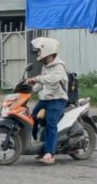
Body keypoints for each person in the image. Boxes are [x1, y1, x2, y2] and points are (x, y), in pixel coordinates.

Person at [25, 37, 68, 166]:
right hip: (46, 98)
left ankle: (50, 153)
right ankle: (40, 147)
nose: (38, 53)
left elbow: (51, 79)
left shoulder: (59, 66)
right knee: (31, 119)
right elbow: (42, 83)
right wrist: (30, 91)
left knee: (51, 123)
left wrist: (36, 78)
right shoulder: (46, 66)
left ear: (46, 50)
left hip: (58, 99)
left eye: (39, 50)